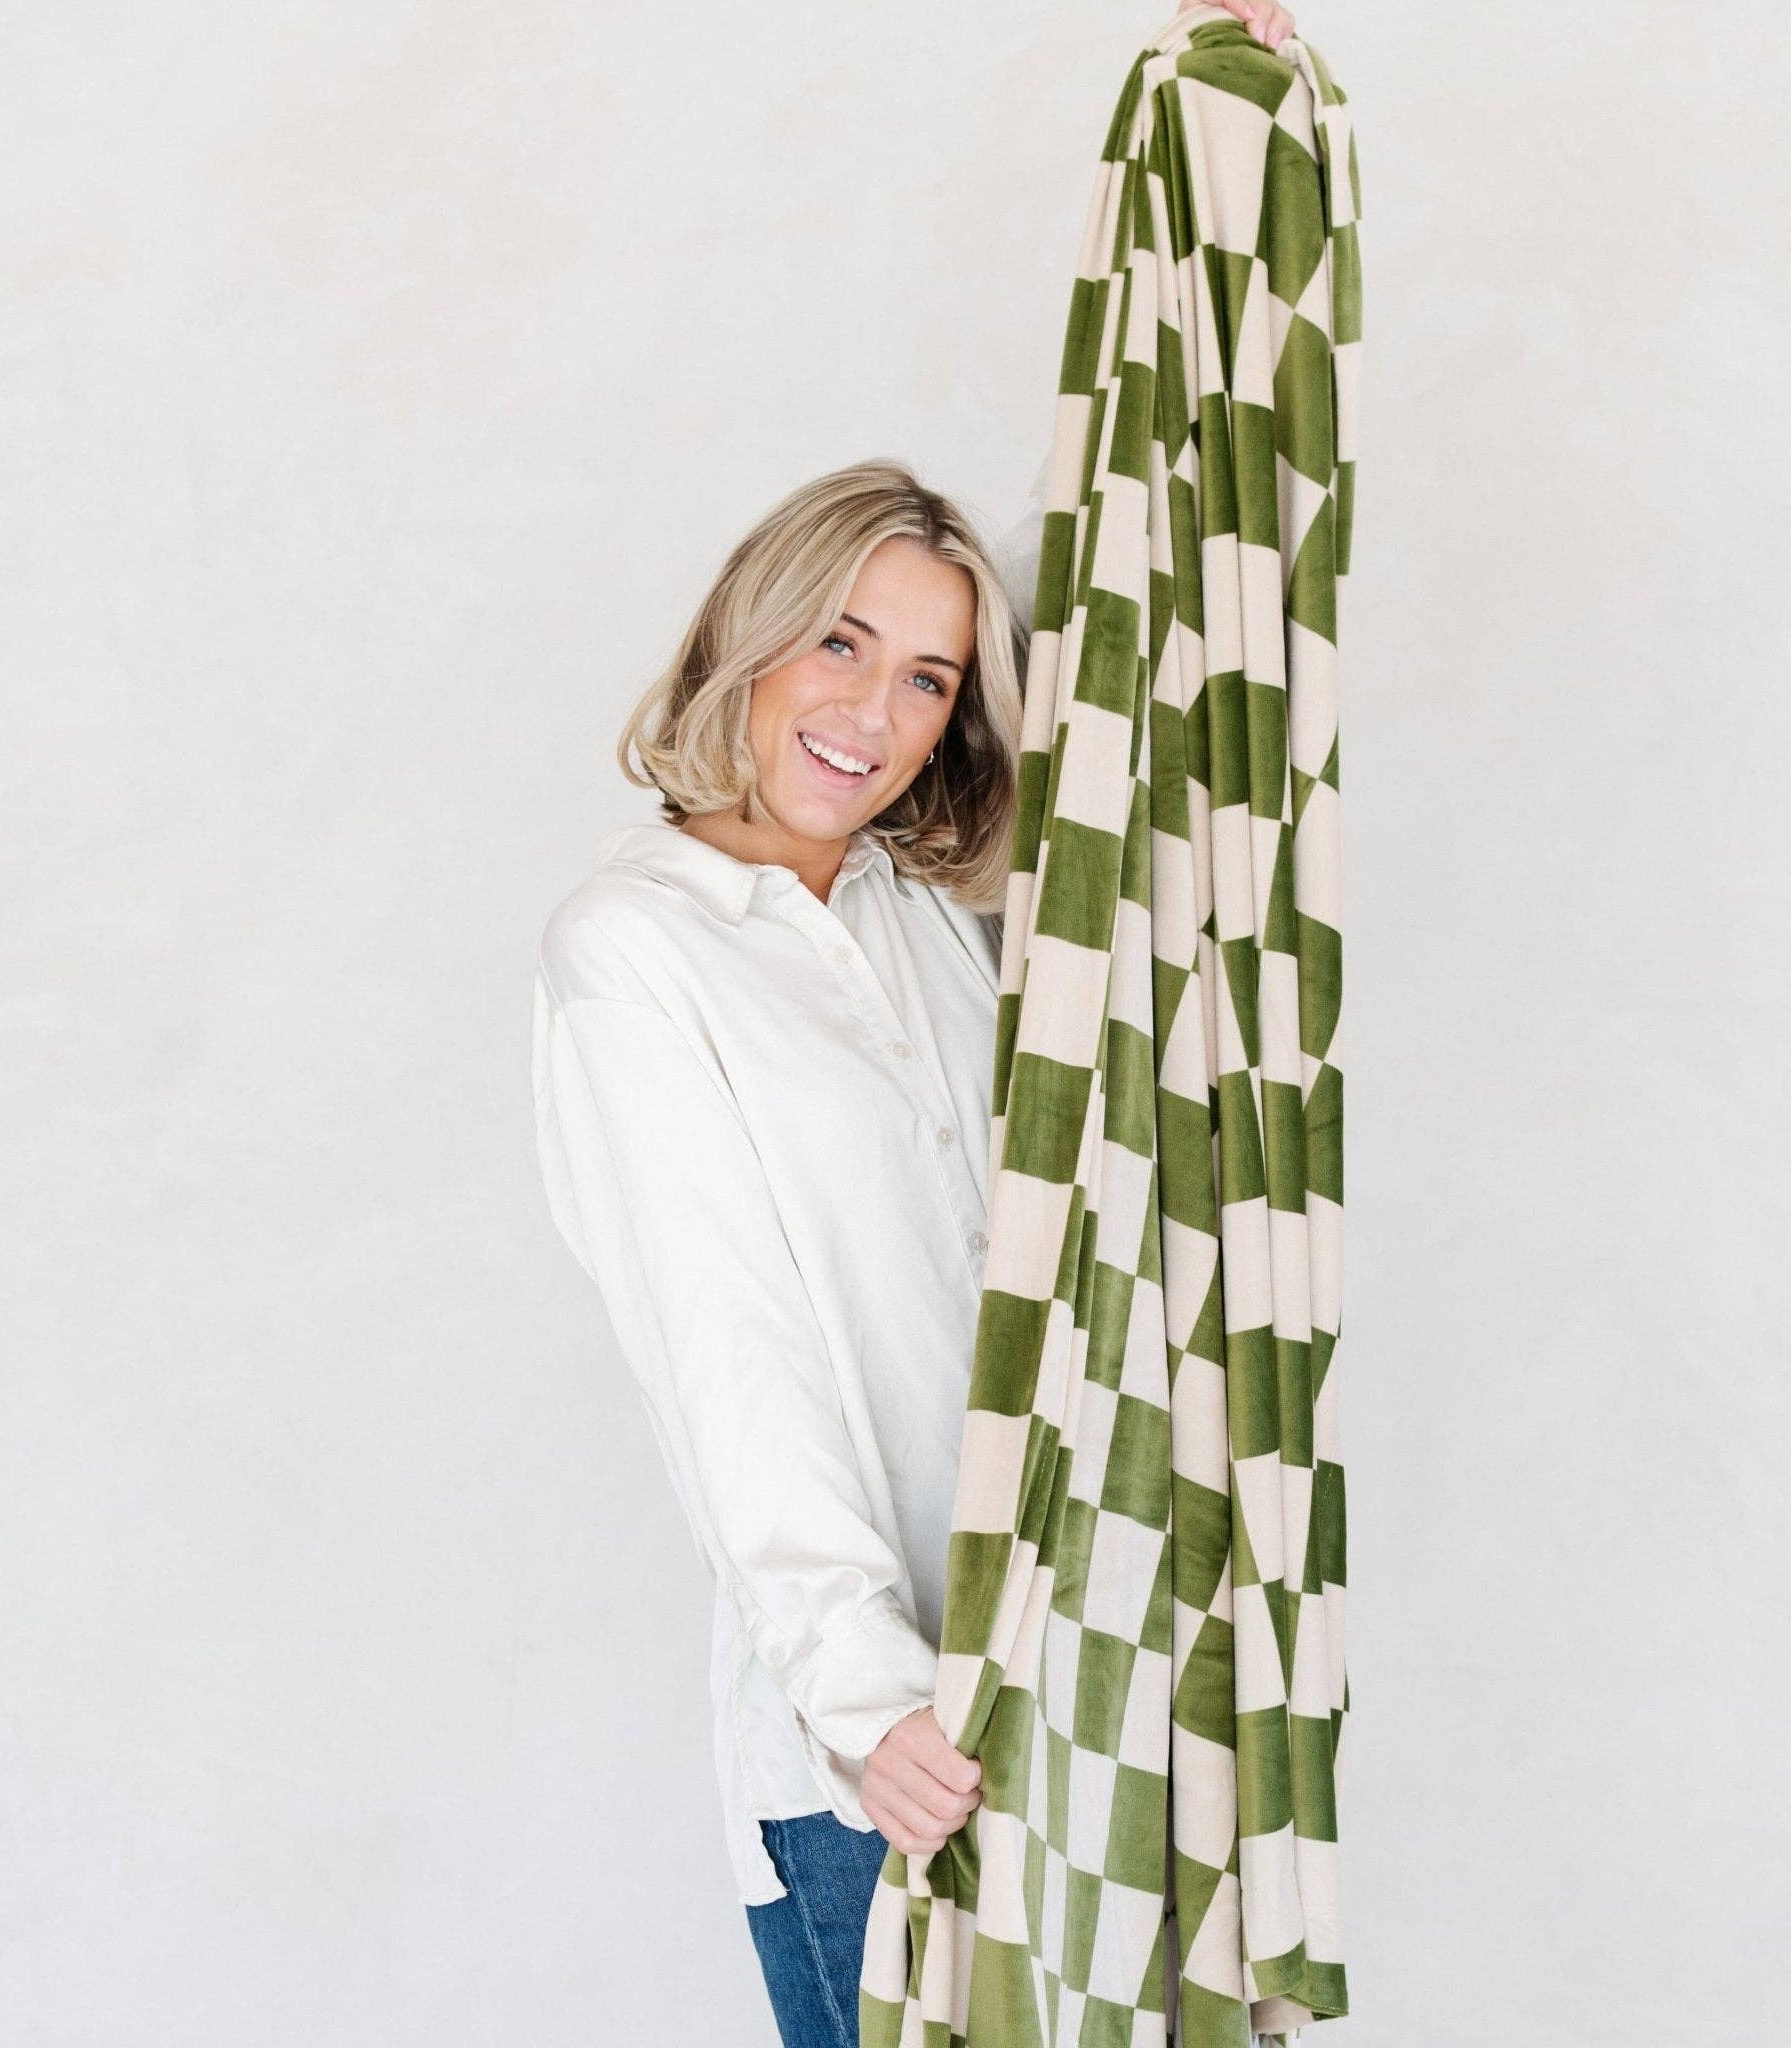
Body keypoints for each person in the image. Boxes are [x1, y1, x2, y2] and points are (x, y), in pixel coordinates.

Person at [528, 15, 1298, 2045]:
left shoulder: (922, 925)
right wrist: (863, 1694)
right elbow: (727, 1342)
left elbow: (1133, 593)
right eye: (843, 642)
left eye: (934, 678)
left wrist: (1217, 153)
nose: (875, 712)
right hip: (877, 1758)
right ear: (753, 631)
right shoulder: (636, 953)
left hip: (1060, 1685)